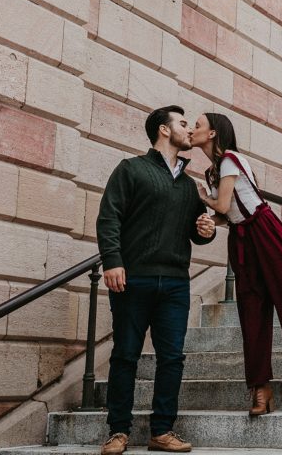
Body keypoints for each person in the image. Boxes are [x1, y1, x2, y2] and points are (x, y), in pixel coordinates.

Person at [191, 111, 282, 417]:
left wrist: (204, 199)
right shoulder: (212, 172)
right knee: (251, 311)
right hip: (242, 240)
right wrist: (211, 221)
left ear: (214, 133)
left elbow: (222, 203)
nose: (193, 130)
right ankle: (261, 387)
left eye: (198, 125)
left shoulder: (230, 159)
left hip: (265, 230)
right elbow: (226, 213)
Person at [97, 105, 216, 455]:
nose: (188, 128)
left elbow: (198, 231)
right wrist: (113, 261)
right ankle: (118, 431)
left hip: (176, 282)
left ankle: (162, 430)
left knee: (171, 358)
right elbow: (109, 218)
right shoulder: (131, 169)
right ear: (164, 130)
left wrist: (205, 230)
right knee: (125, 355)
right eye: (182, 123)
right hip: (133, 280)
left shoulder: (190, 186)